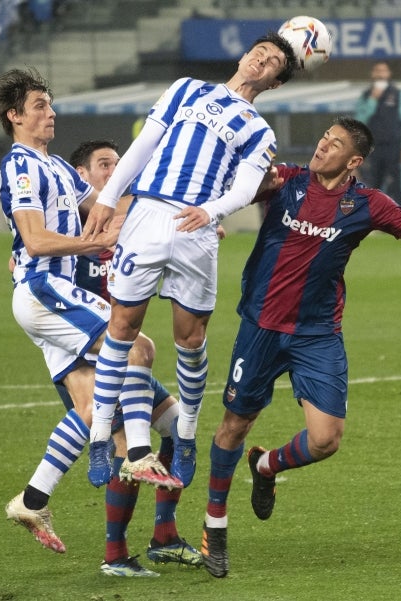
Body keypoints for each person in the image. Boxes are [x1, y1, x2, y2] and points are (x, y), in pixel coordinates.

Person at [199, 117, 401, 578]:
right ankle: (214, 528)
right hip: (259, 326)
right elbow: (224, 196)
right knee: (232, 428)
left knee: (325, 440)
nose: (322, 146)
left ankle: (266, 467)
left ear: (354, 160)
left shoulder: (368, 204)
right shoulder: (286, 180)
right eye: (323, 137)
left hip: (316, 333)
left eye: (334, 144)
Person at [0, 66, 192, 573]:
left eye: (50, 104)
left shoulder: (56, 165)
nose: (50, 112)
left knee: (95, 407)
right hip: (44, 289)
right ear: (14, 116)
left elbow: (108, 215)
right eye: (38, 105)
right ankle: (136, 455)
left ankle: (33, 500)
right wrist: (94, 241)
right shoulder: (19, 167)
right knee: (139, 348)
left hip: (56, 295)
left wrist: (188, 222)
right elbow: (35, 242)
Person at [79, 32, 299, 491]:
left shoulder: (260, 131)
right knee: (122, 325)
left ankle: (184, 436)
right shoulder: (185, 88)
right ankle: (100, 434)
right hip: (149, 211)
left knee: (191, 337)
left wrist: (212, 211)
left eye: (275, 61)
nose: (263, 58)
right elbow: (143, 146)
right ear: (243, 55)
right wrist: (108, 197)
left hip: (196, 228)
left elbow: (244, 186)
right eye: (261, 50)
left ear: (276, 82)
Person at [354, 61, 401, 207]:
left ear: (389, 74)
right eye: (377, 71)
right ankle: (373, 219)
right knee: (374, 184)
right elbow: (359, 121)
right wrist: (372, 101)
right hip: (374, 148)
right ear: (372, 74)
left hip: (394, 147)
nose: (380, 74)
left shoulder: (398, 95)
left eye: (383, 71)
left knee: (399, 184)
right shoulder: (366, 96)